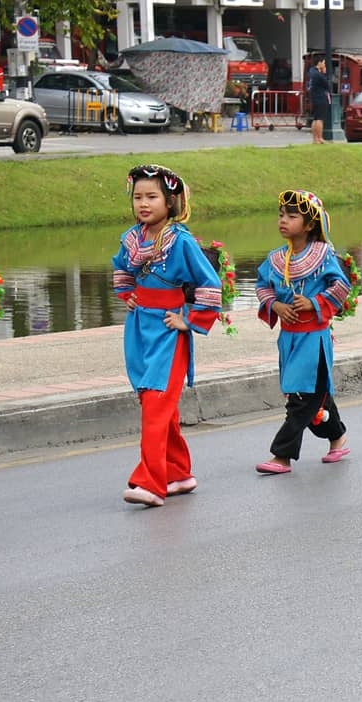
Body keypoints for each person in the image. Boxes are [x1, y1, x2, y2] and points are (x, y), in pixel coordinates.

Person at [111, 164, 223, 507]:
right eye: (138, 197)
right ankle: (178, 472)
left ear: (170, 201)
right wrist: (127, 293)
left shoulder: (181, 241)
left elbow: (210, 283)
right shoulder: (132, 239)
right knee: (154, 402)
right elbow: (120, 269)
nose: (144, 204)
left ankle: (150, 482)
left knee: (157, 404)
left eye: (152, 197)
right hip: (139, 327)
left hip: (168, 330)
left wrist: (188, 319)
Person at [253, 190, 357, 473]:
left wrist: (313, 303)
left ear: (310, 224)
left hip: (314, 340)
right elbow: (262, 285)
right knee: (314, 397)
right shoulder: (276, 258)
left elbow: (341, 286)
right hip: (289, 338)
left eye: (291, 215)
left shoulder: (323, 256)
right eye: (281, 215)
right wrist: (275, 305)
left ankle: (282, 455)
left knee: (302, 400)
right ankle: (338, 438)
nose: (283, 220)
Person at [306, 57, 329, 145]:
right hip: (321, 97)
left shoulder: (312, 71)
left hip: (314, 98)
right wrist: (324, 72)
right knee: (320, 119)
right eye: (323, 63)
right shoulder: (319, 74)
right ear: (319, 63)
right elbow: (326, 84)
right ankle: (319, 138)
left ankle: (315, 139)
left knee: (315, 119)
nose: (324, 65)